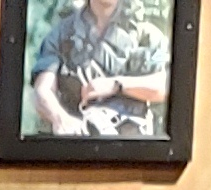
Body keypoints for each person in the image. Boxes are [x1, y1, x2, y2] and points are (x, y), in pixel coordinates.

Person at [28, 0, 171, 138]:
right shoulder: (61, 33)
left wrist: (117, 85)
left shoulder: (148, 35)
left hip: (132, 147)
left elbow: (166, 86)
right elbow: (43, 90)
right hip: (78, 142)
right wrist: (60, 118)